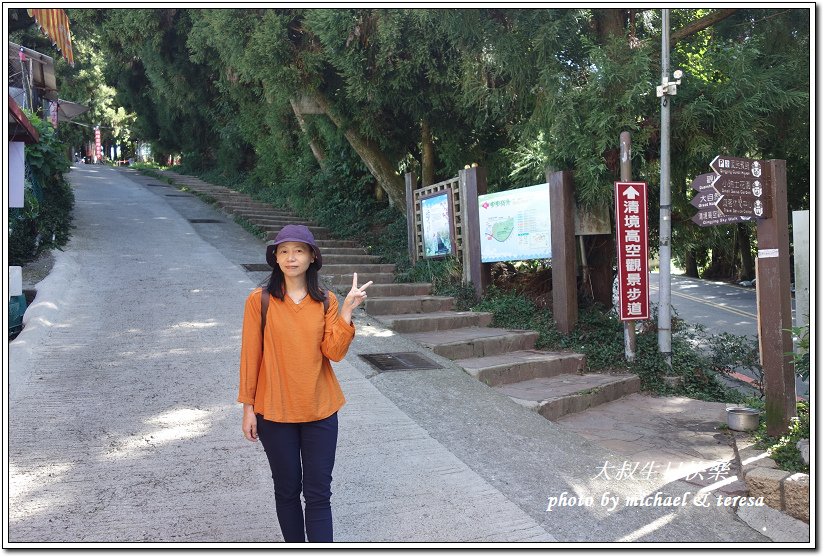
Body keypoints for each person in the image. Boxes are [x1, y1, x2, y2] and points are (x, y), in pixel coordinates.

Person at [238, 224, 371, 542]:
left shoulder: (327, 300)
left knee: (318, 493)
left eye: (298, 250)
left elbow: (334, 352)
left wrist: (348, 313)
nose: (291, 257)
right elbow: (250, 357)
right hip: (274, 412)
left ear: (312, 257)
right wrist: (248, 408)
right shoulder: (261, 300)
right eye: (283, 251)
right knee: (286, 490)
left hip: (321, 411)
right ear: (276, 258)